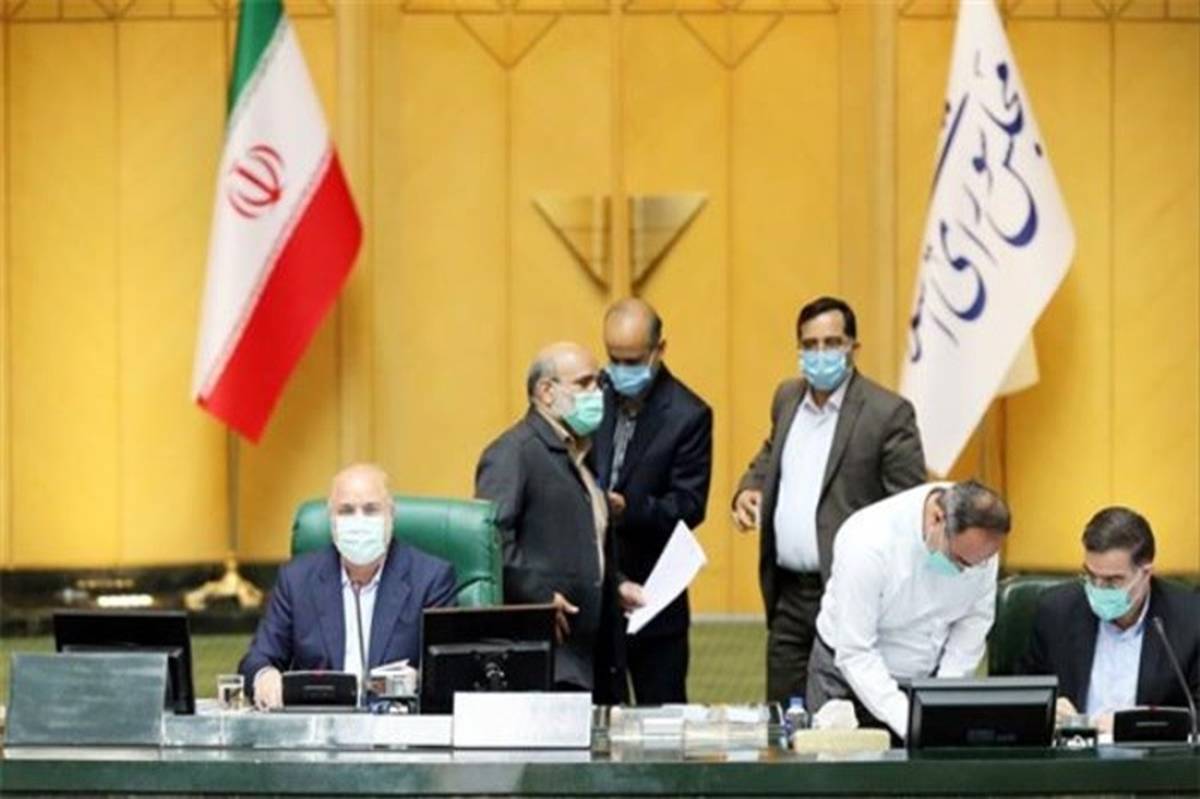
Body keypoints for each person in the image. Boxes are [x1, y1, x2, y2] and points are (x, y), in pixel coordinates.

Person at [732, 295, 926, 703]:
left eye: (832, 343)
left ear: (853, 347)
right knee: (783, 715)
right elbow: (770, 453)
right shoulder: (787, 398)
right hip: (788, 597)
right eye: (810, 344)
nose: (820, 354)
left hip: (850, 595)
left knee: (843, 715)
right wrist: (750, 487)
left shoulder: (887, 414)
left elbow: (910, 512)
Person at [475, 341, 635, 703]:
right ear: (546, 392)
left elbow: (582, 539)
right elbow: (491, 539)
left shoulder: (581, 453)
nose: (597, 394)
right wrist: (539, 596)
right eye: (584, 383)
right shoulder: (514, 452)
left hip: (595, 654)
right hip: (548, 654)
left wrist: (616, 584)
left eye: (598, 383)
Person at [239, 463, 457, 710]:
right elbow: (257, 659)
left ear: (391, 516)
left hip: (394, 724)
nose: (359, 521)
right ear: (332, 520)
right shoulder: (297, 580)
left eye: (371, 509)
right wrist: (265, 676)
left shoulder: (431, 579)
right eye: (346, 510)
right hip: (320, 723)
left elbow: (448, 672)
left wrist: (415, 681)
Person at [806, 481, 1010, 742]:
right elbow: (856, 651)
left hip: (926, 676)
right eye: (958, 560)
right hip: (848, 679)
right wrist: (911, 721)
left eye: (978, 563)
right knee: (838, 764)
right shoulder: (867, 542)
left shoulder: (980, 544)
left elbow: (974, 623)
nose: (965, 571)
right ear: (937, 518)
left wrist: (941, 700)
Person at [590, 299, 713, 704]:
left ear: (659, 350)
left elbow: (689, 505)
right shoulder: (593, 395)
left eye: (632, 361)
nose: (620, 370)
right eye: (613, 359)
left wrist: (629, 508)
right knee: (595, 718)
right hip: (596, 591)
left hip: (653, 595)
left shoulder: (688, 414)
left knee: (661, 719)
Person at [1019, 506, 1200, 733]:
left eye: (1112, 580)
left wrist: (1133, 727)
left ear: (1146, 573)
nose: (1098, 588)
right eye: (1090, 575)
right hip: (1075, 751)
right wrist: (1047, 710)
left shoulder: (1190, 618)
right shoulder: (1056, 611)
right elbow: (1022, 697)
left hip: (1149, 753)